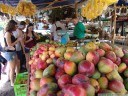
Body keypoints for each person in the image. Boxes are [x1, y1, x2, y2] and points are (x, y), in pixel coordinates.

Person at [3, 20, 22, 86]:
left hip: (13, 51)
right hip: (9, 53)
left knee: (17, 65)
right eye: (15, 26)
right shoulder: (8, 33)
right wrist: (17, 40)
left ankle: (17, 79)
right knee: (12, 68)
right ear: (12, 26)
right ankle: (12, 83)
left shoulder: (11, 33)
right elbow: (9, 45)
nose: (16, 27)